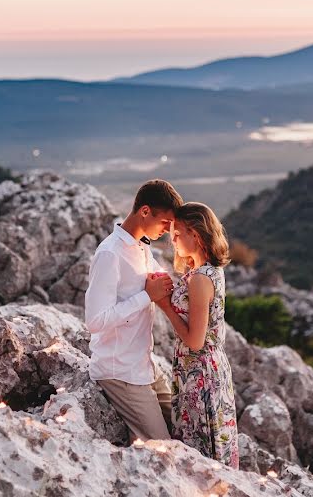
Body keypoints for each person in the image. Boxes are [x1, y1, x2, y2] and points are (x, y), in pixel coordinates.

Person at [84, 179, 183, 441]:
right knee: (164, 448)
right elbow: (95, 321)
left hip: (144, 365)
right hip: (120, 371)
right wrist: (146, 296)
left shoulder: (142, 246)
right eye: (165, 223)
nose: (167, 230)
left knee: (188, 425)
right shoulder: (110, 254)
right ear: (145, 211)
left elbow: (155, 284)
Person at [156, 202, 239, 468]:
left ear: (197, 233)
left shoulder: (201, 279)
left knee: (200, 456)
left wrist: (165, 305)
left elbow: (195, 341)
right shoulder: (207, 271)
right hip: (203, 370)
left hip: (200, 375)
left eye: (178, 233)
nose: (174, 240)